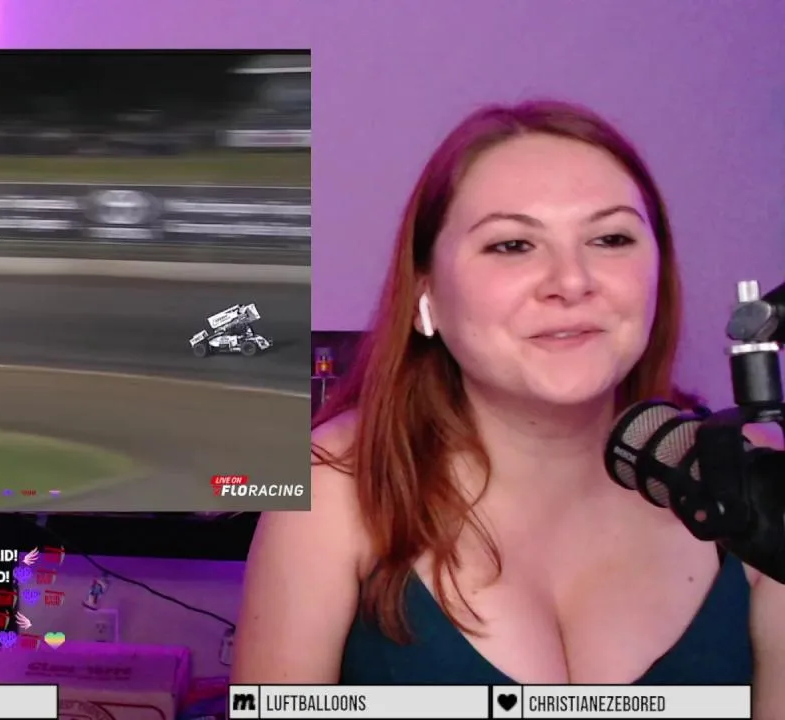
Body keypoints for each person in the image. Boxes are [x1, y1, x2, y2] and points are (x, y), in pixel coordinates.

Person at [234, 100, 784, 708]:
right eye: (513, 245)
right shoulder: (332, 488)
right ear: (425, 294)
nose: (572, 281)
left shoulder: (751, 480)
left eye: (611, 238)